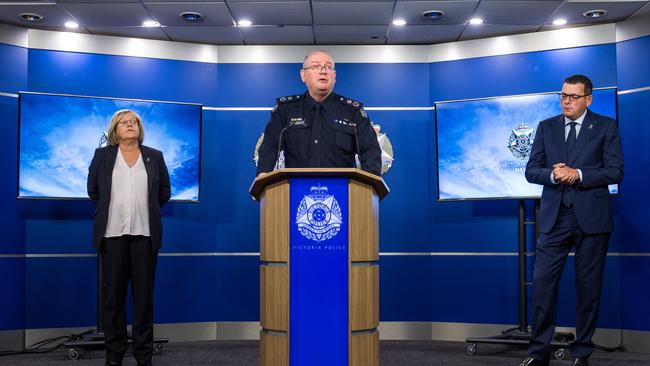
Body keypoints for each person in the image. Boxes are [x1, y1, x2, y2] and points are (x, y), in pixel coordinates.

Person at [521, 75, 624, 366]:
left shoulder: (605, 126)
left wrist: (577, 174)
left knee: (588, 289)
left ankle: (581, 353)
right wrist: (554, 175)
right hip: (555, 219)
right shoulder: (546, 127)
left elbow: (615, 171)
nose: (567, 101)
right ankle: (537, 354)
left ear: (588, 99)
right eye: (563, 95)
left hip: (592, 219)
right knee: (542, 287)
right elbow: (532, 171)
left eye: (574, 96)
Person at [88, 109, 171, 366]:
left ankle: (143, 357)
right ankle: (114, 357)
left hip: (145, 237)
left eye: (135, 122)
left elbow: (164, 192)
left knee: (143, 301)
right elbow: (93, 191)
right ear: (115, 129)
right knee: (113, 301)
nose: (131, 125)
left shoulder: (154, 156)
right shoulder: (102, 156)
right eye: (125, 122)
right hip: (112, 236)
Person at [256, 50, 381, 176]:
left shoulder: (353, 112)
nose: (323, 71)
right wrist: (263, 174)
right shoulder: (285, 110)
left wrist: (370, 184)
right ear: (303, 75)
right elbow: (269, 148)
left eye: (328, 67)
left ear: (334, 75)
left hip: (343, 191)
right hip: (295, 191)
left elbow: (370, 151)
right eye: (315, 66)